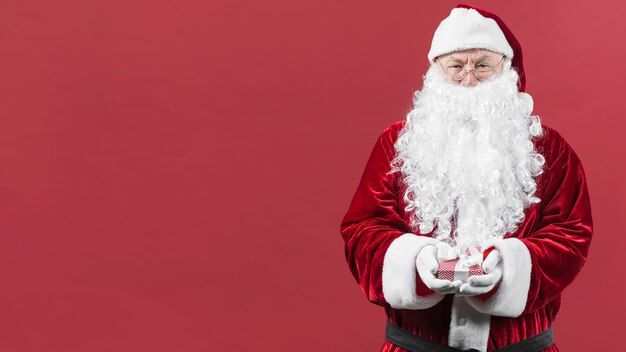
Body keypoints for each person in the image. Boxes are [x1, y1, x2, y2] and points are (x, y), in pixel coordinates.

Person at [339, 4, 592, 352]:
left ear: (506, 69)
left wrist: (507, 269)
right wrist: (417, 263)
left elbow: (571, 234)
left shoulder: (551, 149)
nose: (469, 79)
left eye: (483, 65)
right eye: (456, 67)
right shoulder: (395, 144)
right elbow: (363, 229)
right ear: (436, 72)